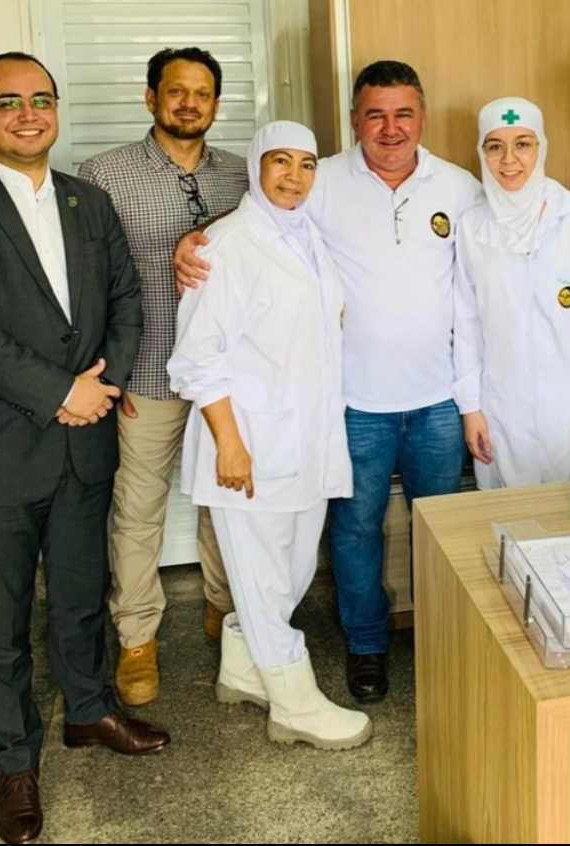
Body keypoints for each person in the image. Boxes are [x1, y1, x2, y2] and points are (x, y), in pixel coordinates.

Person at [174, 61, 570, 703]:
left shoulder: (461, 185)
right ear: (355, 120)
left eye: (403, 113)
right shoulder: (322, 179)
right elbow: (264, 210)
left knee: (442, 530)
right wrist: (195, 238)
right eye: (375, 115)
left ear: (422, 118)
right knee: (356, 532)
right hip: (353, 403)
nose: (390, 128)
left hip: (440, 401)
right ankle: (366, 647)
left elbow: (521, 208)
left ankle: (443, 636)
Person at [0, 52, 169, 846]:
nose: (28, 113)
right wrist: (59, 391)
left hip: (84, 443)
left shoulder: (88, 200)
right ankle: (14, 760)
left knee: (78, 594)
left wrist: (106, 385)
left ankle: (90, 710)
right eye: (9, 101)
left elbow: (127, 297)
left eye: (41, 98)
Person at [168, 120, 372, 750]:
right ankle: (294, 704)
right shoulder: (225, 246)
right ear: (256, 166)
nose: (294, 176)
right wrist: (229, 443)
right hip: (250, 441)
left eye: (306, 164)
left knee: (288, 570)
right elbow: (198, 358)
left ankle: (241, 666)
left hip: (305, 435)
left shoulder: (307, 235)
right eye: (280, 161)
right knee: (262, 574)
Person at [78, 47, 248, 707]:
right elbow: (89, 281)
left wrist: (206, 227)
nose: (188, 103)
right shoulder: (105, 173)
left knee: (223, 500)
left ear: (216, 103)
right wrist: (109, 372)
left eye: (201, 93)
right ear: (151, 97)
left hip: (225, 378)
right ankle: (136, 638)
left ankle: (223, 609)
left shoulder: (241, 173)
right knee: (137, 511)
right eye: (175, 91)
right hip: (145, 372)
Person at [453, 98, 570, 487]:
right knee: (510, 517)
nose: (509, 159)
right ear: (482, 152)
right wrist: (471, 408)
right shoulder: (471, 228)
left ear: (541, 147)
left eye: (523, 144)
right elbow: (466, 324)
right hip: (501, 414)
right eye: (495, 146)